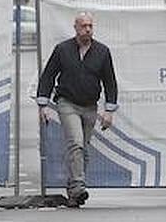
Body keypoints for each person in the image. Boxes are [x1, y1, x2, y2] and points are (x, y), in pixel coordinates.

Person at [36, 12, 119, 207]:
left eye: (90, 26)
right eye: (83, 26)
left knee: (83, 150)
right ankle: (79, 186)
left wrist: (109, 111)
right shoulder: (62, 50)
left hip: (90, 106)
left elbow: (110, 82)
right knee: (76, 143)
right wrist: (43, 105)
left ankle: (73, 193)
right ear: (75, 27)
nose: (87, 29)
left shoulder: (102, 52)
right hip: (67, 103)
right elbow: (48, 76)